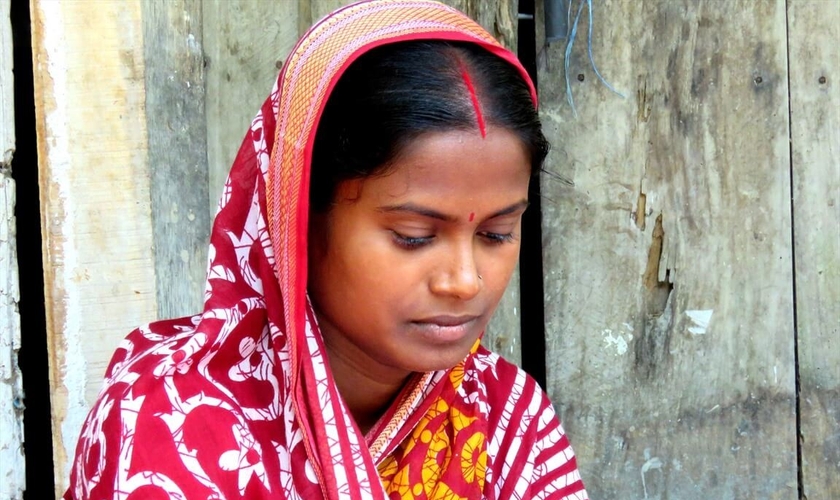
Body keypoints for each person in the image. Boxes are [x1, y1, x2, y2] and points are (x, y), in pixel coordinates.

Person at [64, 0, 588, 498]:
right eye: (414, 237)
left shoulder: (505, 419)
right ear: (297, 221)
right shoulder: (169, 424)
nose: (464, 280)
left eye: (496, 234)